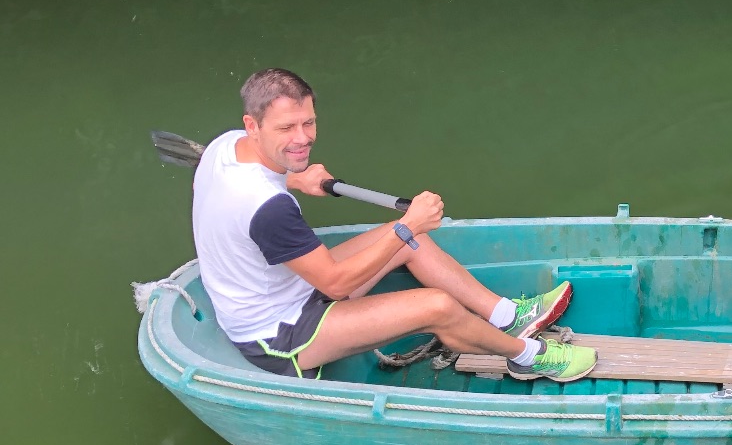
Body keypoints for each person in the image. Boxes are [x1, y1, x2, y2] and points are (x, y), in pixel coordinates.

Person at [192, 68, 596, 382]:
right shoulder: (270, 209)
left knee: (409, 239)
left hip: (286, 290)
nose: (303, 138)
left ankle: (507, 315)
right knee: (435, 302)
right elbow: (335, 285)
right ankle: (528, 357)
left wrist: (296, 177)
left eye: (308, 122)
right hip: (280, 336)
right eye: (286, 129)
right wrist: (408, 224)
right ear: (252, 124)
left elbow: (252, 187)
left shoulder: (224, 147)